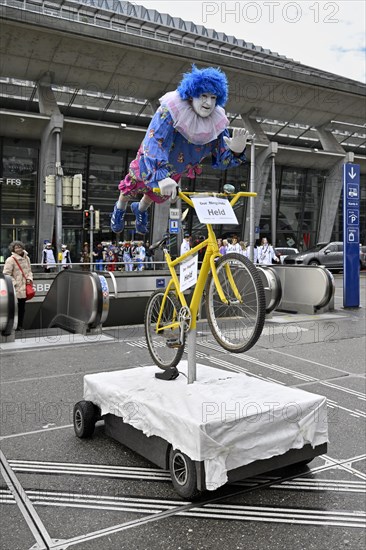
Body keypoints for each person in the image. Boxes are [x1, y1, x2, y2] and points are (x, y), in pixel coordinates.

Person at [110, 65, 249, 235]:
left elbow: (221, 160)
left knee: (155, 196)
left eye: (213, 97)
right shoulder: (171, 109)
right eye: (203, 96)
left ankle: (140, 210)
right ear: (192, 94)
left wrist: (236, 150)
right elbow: (154, 140)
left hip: (175, 169)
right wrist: (160, 175)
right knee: (132, 186)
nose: (208, 103)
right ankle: (120, 209)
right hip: (150, 161)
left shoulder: (217, 121)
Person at [3, 240, 34, 331]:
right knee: (13, 308)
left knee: (22, 308)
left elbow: (29, 271)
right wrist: (15, 283)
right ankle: (12, 326)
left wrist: (29, 279)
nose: (18, 249)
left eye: (19, 247)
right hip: (15, 288)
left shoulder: (26, 258)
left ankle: (19, 326)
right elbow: (6, 274)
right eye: (16, 248)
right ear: (13, 249)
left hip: (24, 287)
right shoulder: (10, 260)